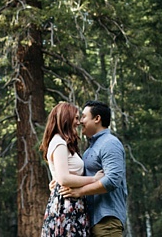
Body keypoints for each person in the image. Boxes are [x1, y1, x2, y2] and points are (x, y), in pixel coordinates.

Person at [60, 101, 127, 236]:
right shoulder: (90, 149)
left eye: (84, 117)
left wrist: (80, 191)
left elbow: (113, 180)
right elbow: (84, 178)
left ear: (97, 119)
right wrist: (59, 182)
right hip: (90, 221)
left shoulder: (110, 143)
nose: (80, 122)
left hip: (106, 221)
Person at [40, 102, 100, 236]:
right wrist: (94, 179)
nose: (79, 122)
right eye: (76, 118)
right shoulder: (59, 142)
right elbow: (64, 178)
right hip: (66, 204)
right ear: (66, 118)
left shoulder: (64, 143)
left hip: (73, 203)